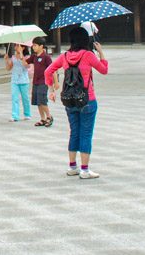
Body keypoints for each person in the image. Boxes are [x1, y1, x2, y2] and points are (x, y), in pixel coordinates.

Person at [45, 26, 109, 179]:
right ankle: (85, 170)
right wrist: (101, 52)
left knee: (74, 133)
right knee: (86, 134)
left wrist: (51, 90)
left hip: (70, 100)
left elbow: (48, 71)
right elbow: (104, 70)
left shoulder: (65, 56)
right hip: (87, 99)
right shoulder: (88, 55)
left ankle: (72, 167)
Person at [26, 37, 54, 127]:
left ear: (41, 46)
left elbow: (53, 69)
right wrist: (20, 54)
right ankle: (42, 118)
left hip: (44, 81)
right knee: (37, 101)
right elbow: (26, 63)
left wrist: (54, 83)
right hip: (35, 81)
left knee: (42, 100)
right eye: (33, 45)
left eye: (35, 45)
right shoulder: (34, 56)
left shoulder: (46, 57)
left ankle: (49, 116)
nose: (33, 47)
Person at [4, 42, 31, 121]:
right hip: (15, 80)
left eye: (18, 45)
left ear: (23, 48)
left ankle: (27, 114)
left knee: (25, 98)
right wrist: (6, 60)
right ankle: (15, 115)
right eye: (16, 45)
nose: (16, 47)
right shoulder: (13, 57)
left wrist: (21, 55)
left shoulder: (27, 57)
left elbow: (27, 65)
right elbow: (9, 68)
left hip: (24, 80)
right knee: (14, 98)